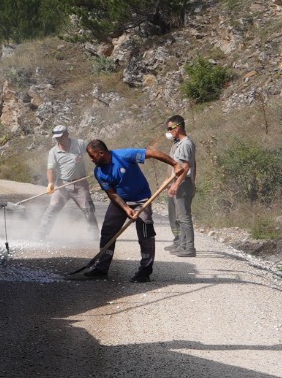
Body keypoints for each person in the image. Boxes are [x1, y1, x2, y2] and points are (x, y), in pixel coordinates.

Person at [70, 135, 190, 282]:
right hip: (120, 202)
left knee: (145, 232)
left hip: (141, 199)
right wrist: (126, 209)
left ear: (101, 153)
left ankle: (145, 270)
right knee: (108, 231)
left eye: (92, 156)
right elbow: (112, 194)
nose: (91, 159)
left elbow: (152, 153)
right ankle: (101, 268)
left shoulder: (125, 155)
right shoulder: (99, 172)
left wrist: (175, 164)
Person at [162, 114, 199, 258]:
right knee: (178, 216)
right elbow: (193, 164)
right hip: (183, 183)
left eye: (170, 128)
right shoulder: (181, 144)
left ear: (178, 128)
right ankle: (182, 244)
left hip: (183, 184)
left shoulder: (186, 144)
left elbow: (186, 167)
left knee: (184, 217)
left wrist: (177, 184)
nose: (169, 131)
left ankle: (189, 248)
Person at [43, 125, 96, 226]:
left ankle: (94, 237)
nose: (58, 140)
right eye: (56, 138)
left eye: (60, 137)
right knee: (51, 211)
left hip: (81, 184)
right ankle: (41, 236)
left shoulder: (80, 144)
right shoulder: (53, 152)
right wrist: (50, 183)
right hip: (62, 185)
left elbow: (93, 152)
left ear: (67, 134)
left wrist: (97, 166)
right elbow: (50, 169)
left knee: (89, 211)